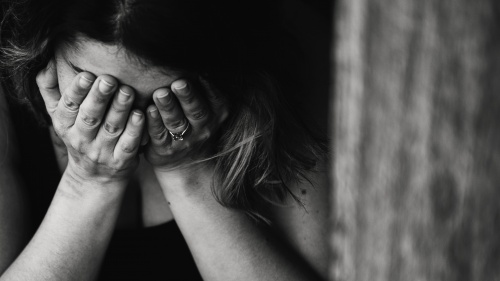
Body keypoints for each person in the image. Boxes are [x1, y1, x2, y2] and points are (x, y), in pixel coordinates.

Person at [0, 0, 330, 280]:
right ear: (45, 44)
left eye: (165, 98)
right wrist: (86, 182)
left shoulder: (290, 52)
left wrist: (188, 172)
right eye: (99, 90)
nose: (130, 123)